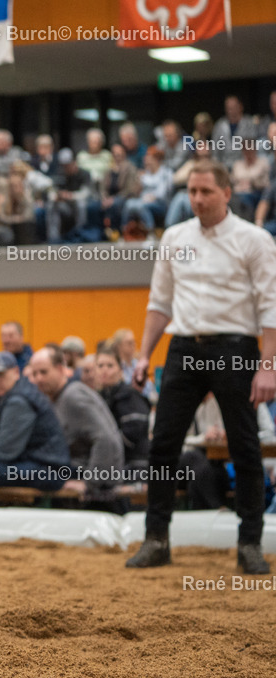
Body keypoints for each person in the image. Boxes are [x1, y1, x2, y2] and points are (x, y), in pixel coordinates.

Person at [126, 160, 276, 575]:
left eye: (205, 191)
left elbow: (271, 307)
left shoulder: (255, 239)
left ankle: (249, 544)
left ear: (226, 192)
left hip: (236, 347)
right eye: (191, 191)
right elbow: (159, 303)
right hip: (183, 346)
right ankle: (156, 539)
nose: (196, 198)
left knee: (244, 446)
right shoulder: (174, 236)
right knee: (162, 445)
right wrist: (143, 355)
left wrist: (268, 367)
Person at [0, 352, 70, 506]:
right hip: (37, 464)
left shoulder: (18, 401)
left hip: (48, 470)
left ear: (15, 372)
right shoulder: (6, 396)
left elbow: (4, 451)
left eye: (0, 374)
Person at [28, 347, 125, 510]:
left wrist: (90, 483)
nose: (38, 378)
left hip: (98, 496)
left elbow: (106, 439)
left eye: (44, 372)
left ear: (60, 369)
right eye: (35, 373)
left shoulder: (73, 397)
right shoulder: (55, 398)